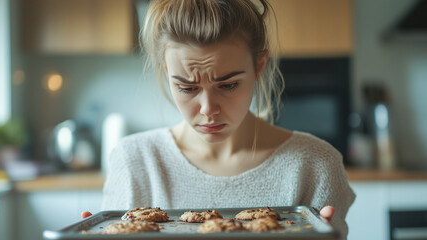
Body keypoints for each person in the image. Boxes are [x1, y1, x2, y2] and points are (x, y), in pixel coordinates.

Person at [82, 0, 355, 238]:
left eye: (228, 85)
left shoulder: (315, 165)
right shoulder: (135, 162)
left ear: (259, 66)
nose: (208, 109)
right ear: (167, 73)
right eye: (187, 88)